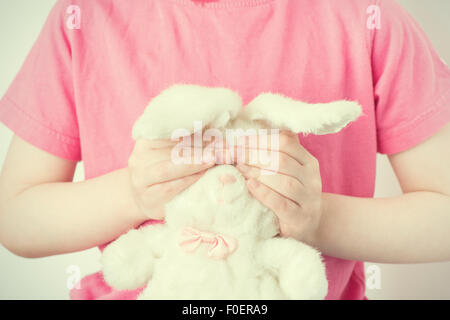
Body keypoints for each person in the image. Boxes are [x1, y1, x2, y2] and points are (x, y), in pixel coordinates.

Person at [0, 0, 449, 300]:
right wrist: (132, 195)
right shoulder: (84, 17)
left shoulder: (366, 16)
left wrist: (319, 218)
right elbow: (16, 217)